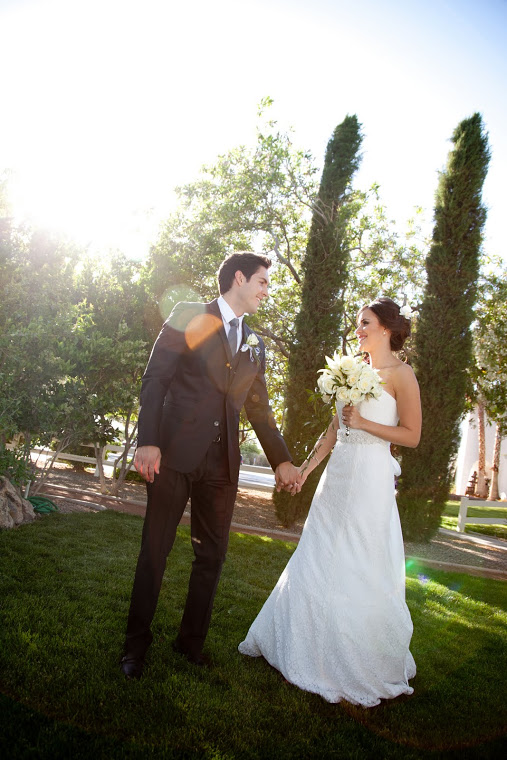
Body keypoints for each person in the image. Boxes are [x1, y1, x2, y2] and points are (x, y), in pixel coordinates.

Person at [121, 252, 301, 679]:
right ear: (238, 278)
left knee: (212, 557)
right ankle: (134, 648)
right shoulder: (188, 315)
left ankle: (189, 643)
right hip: (173, 457)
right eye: (262, 282)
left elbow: (260, 412)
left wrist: (282, 461)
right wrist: (148, 442)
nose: (265, 291)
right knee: (154, 552)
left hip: (221, 466)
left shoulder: (254, 343)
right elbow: (156, 380)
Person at [238, 297, 422, 707]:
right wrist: (305, 471)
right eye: (358, 323)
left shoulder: (401, 374)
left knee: (358, 560)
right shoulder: (353, 371)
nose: (358, 329)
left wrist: (365, 422)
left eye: (366, 323)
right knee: (319, 556)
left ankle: (353, 660)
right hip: (336, 480)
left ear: (387, 329)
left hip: (370, 480)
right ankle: (300, 649)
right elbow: (333, 432)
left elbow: (411, 435)